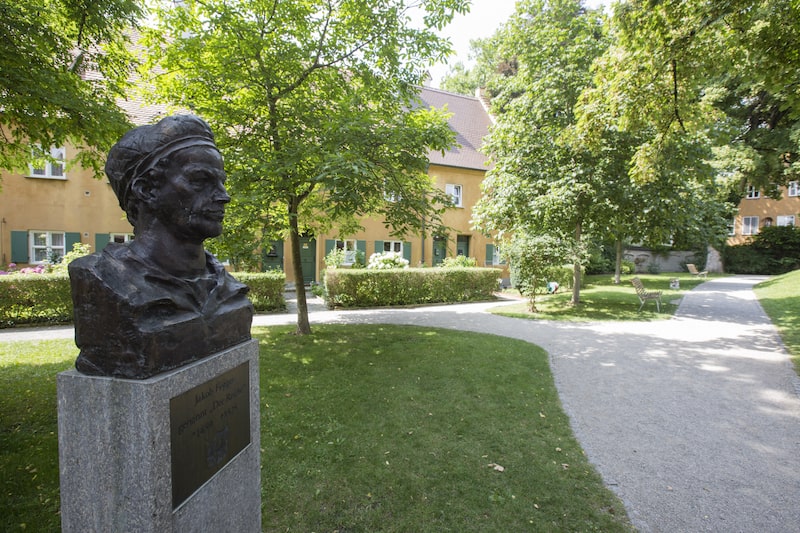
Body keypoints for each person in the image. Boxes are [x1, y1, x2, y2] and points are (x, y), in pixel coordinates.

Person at [69, 114, 253, 379]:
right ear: (146, 190)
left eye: (221, 182)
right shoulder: (106, 281)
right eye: (201, 181)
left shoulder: (229, 290)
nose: (223, 196)